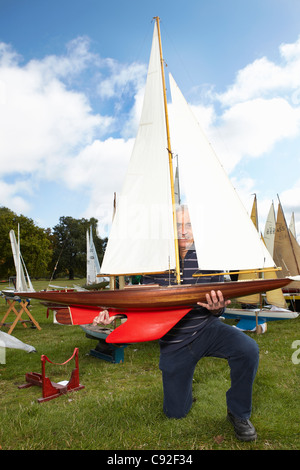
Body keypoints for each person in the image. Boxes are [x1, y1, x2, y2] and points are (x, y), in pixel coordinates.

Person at [93, 205, 259, 442]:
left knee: (248, 349)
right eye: (178, 225)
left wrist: (217, 307)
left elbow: (221, 303)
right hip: (174, 340)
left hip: (206, 328)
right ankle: (184, 395)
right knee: (175, 414)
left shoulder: (209, 257)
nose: (183, 231)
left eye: (189, 225)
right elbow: (141, 301)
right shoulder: (156, 261)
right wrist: (114, 312)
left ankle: (238, 413)